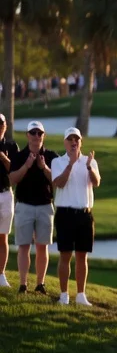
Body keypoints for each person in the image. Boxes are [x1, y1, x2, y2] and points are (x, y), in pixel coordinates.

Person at [51, 127, 101, 306]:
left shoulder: (90, 161)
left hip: (85, 214)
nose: (73, 142)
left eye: (76, 139)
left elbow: (96, 182)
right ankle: (64, 294)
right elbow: (59, 183)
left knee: (82, 256)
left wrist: (89, 167)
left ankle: (80, 295)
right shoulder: (58, 161)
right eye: (70, 139)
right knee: (65, 255)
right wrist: (71, 164)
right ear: (65, 142)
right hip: (65, 214)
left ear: (81, 142)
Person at [8, 120, 59, 295]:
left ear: (43, 136)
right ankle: (23, 284)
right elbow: (12, 179)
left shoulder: (51, 156)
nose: (36, 136)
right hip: (24, 205)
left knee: (42, 246)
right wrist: (27, 166)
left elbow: (57, 181)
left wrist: (44, 168)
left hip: (45, 205)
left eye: (40, 133)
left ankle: (40, 283)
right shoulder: (19, 156)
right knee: (23, 246)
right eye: (33, 133)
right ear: (27, 135)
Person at [0, 115, 17, 287]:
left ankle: (1, 274)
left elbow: (15, 171)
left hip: (6, 193)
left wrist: (3, 158)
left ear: (5, 126)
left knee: (3, 236)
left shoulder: (11, 146)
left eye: (1, 124)